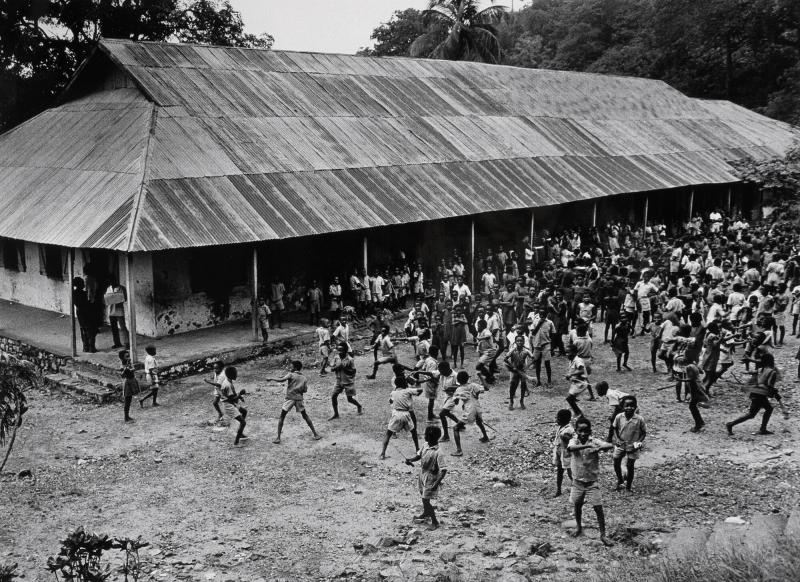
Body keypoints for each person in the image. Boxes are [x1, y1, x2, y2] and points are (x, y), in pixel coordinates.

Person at [567, 417, 614, 546]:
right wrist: (588, 445)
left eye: (586, 431)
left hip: (592, 482)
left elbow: (609, 445)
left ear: (590, 431)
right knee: (577, 505)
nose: (583, 434)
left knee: (598, 508)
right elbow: (570, 448)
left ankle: (603, 535)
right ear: (576, 431)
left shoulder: (594, 441)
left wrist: (600, 448)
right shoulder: (574, 441)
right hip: (577, 482)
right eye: (580, 431)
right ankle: (578, 527)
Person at [726, 353, 788, 435]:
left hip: (755, 392)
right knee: (765, 410)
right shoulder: (772, 372)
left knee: (753, 414)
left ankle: (732, 424)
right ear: (771, 361)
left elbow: (752, 374)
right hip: (761, 394)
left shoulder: (760, 369)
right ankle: (731, 424)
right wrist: (777, 396)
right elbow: (770, 385)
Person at [267, 360, 322, 444]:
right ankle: (315, 434)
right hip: (299, 399)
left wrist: (271, 378)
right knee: (305, 416)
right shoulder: (304, 378)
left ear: (295, 368)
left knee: (282, 416)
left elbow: (281, 380)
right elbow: (305, 390)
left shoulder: (291, 374)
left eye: (291, 366)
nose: (290, 367)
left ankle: (278, 437)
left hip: (290, 398)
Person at [405, 425, 448, 530]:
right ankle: (426, 512)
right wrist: (410, 460)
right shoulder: (425, 445)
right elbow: (419, 456)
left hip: (431, 478)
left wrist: (436, 484)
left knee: (425, 500)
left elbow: (443, 470)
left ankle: (435, 521)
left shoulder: (439, 452)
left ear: (431, 437)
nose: (424, 436)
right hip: (422, 474)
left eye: (426, 435)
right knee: (423, 495)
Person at [447, 370, 490, 456]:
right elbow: (486, 388)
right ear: (467, 379)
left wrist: (453, 394)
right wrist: (481, 377)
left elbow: (456, 403)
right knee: (478, 421)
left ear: (458, 381)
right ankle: (485, 437)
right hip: (477, 408)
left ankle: (459, 450)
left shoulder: (459, 389)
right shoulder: (473, 385)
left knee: (456, 428)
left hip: (470, 410)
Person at [380, 375, 422, 460]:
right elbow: (420, 390)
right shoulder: (408, 391)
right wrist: (416, 383)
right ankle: (417, 449)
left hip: (396, 414)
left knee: (388, 434)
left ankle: (382, 453)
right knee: (413, 432)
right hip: (406, 414)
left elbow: (391, 401)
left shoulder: (393, 393)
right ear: (405, 383)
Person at [611, 395, 646, 493]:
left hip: (633, 445)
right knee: (616, 461)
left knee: (630, 466)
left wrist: (637, 444)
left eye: (632, 405)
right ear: (623, 406)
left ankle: (629, 486)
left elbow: (643, 433)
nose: (629, 408)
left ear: (636, 406)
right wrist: (617, 439)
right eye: (627, 405)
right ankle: (620, 480)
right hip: (621, 444)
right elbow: (614, 428)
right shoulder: (619, 417)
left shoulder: (639, 419)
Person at [329, 343, 362, 420]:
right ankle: (336, 414)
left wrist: (345, 369)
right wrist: (333, 367)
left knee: (349, 399)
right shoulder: (336, 358)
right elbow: (331, 366)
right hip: (339, 380)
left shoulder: (350, 360)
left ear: (346, 351)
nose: (340, 352)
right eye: (338, 350)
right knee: (333, 396)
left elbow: (354, 371)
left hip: (348, 381)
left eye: (342, 350)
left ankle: (359, 406)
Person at [219, 366, 248, 445]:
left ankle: (240, 431)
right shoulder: (228, 385)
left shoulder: (227, 381)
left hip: (230, 403)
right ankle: (236, 442)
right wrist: (240, 394)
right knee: (243, 422)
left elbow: (232, 396)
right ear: (231, 375)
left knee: (244, 412)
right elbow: (232, 399)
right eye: (235, 374)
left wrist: (240, 397)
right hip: (228, 405)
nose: (236, 375)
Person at [504, 334, 533, 410]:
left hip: (522, 371)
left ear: (523, 342)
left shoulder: (526, 351)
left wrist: (527, 366)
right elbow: (505, 359)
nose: (519, 342)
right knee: (512, 385)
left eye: (521, 341)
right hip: (515, 371)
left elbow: (533, 358)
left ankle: (522, 401)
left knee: (523, 385)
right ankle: (511, 401)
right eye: (518, 341)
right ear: (515, 342)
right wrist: (512, 366)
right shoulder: (513, 350)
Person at [565, 344, 593, 418]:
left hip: (580, 383)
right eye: (566, 352)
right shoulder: (571, 360)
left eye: (569, 352)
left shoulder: (578, 360)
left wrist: (571, 374)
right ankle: (576, 411)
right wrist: (569, 376)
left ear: (575, 353)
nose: (567, 354)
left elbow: (581, 371)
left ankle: (579, 413)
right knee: (571, 399)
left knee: (569, 399)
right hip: (575, 383)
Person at [530, 307, 555, 386]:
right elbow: (533, 333)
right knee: (537, 363)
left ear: (546, 315)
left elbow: (553, 333)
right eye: (540, 314)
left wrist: (552, 346)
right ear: (538, 314)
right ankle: (538, 380)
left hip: (546, 345)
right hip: (537, 345)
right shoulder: (535, 321)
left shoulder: (550, 322)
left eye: (543, 314)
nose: (542, 316)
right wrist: (539, 323)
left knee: (547, 363)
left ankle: (549, 380)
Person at [552, 409, 574, 498]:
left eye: (557, 418)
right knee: (559, 471)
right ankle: (558, 490)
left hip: (567, 455)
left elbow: (570, 440)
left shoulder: (569, 429)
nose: (556, 420)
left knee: (570, 473)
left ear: (562, 419)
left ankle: (578, 491)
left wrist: (565, 438)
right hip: (559, 453)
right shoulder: (561, 427)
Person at [415, 345, 440, 421]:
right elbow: (431, 374)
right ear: (436, 353)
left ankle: (431, 414)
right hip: (431, 382)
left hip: (428, 381)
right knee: (431, 400)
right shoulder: (433, 363)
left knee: (431, 400)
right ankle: (430, 416)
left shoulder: (428, 359)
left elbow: (423, 369)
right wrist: (436, 381)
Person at [72, 277, 97, 353]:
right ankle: (91, 347)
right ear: (79, 284)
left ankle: (85, 347)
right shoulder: (83, 294)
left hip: (80, 312)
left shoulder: (74, 293)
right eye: (82, 283)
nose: (83, 284)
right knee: (90, 329)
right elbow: (88, 303)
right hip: (86, 312)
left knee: (83, 328)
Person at [684, 363, 709, 433]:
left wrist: (679, 380)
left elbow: (687, 380)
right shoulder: (696, 379)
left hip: (696, 397)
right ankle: (700, 422)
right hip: (695, 397)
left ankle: (698, 425)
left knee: (693, 409)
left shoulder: (693, 380)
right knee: (693, 408)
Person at [105, 279, 128, 349]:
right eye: (111, 282)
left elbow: (125, 298)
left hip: (119, 310)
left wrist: (117, 298)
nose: (112, 283)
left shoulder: (122, 288)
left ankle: (127, 343)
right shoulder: (108, 288)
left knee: (123, 327)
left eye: (113, 281)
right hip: (111, 311)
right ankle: (117, 343)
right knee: (114, 328)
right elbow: (106, 298)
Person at [119, 349, 139, 423]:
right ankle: (126, 417)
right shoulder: (122, 365)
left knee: (129, 399)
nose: (129, 358)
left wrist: (130, 368)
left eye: (129, 356)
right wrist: (126, 369)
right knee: (127, 400)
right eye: (127, 357)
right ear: (122, 358)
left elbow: (133, 369)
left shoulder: (129, 363)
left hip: (131, 381)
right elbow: (122, 375)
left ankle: (127, 416)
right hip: (127, 382)